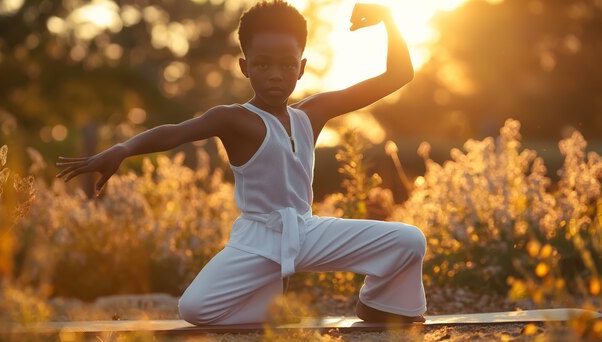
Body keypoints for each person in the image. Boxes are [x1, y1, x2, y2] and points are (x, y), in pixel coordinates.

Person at [56, 0, 427, 325]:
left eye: (286, 65)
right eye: (263, 65)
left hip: (309, 232)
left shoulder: (314, 112)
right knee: (194, 309)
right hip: (258, 241)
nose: (275, 75)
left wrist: (389, 18)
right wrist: (121, 150)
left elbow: (398, 76)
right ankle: (268, 300)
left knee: (410, 239)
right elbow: (174, 132)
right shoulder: (234, 119)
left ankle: (377, 304)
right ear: (245, 66)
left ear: (301, 68)